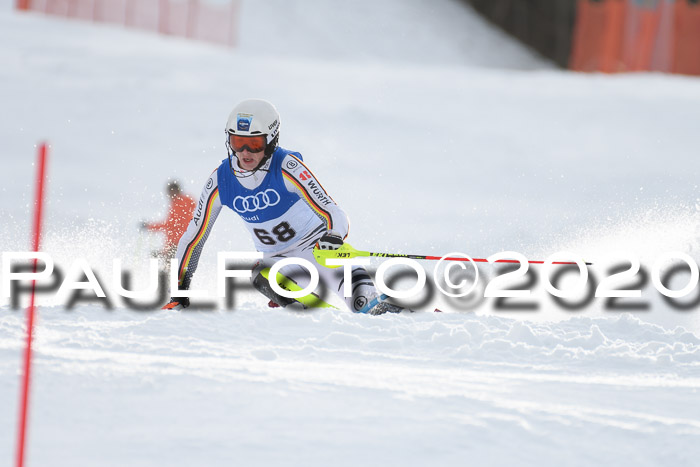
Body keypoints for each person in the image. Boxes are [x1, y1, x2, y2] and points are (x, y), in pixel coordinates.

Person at [162, 98, 402, 315]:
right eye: (237, 142)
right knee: (261, 275)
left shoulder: (287, 166)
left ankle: (404, 312)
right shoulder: (220, 181)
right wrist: (179, 293)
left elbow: (332, 210)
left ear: (271, 140)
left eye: (254, 143)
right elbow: (193, 238)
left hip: (319, 249)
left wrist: (335, 235)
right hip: (279, 263)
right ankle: (318, 313)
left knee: (369, 306)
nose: (245, 152)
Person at [140, 180, 196, 260]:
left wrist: (149, 226)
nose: (169, 195)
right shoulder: (185, 203)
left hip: (176, 243)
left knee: (170, 268)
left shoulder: (179, 204)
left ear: (175, 191)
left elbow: (170, 224)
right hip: (183, 241)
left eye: (169, 192)